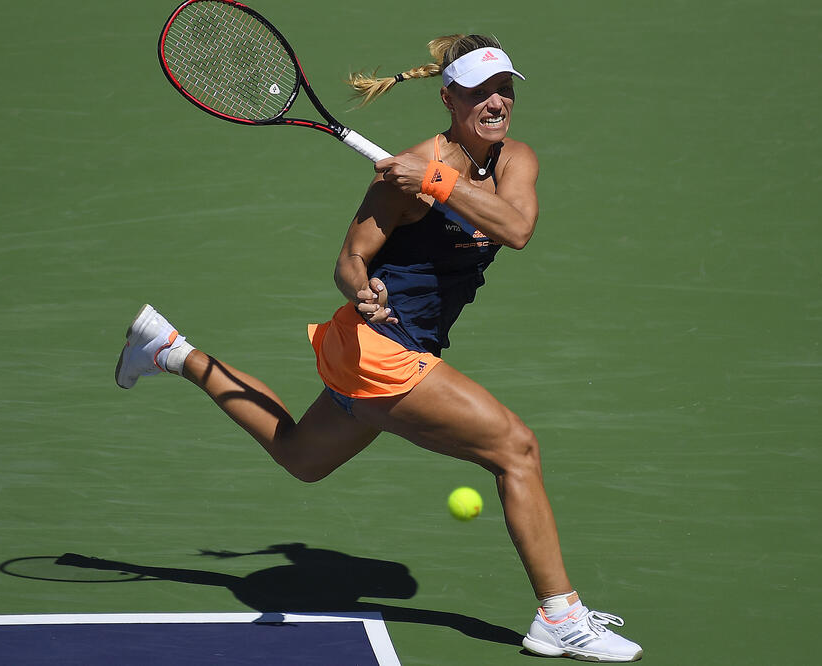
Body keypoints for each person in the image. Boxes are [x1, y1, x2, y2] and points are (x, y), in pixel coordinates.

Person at [115, 34, 642, 662]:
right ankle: (561, 616)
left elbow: (516, 228)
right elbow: (350, 261)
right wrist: (363, 292)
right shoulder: (406, 174)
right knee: (516, 449)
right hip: (379, 349)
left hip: (402, 349)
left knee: (301, 457)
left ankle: (170, 349)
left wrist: (437, 181)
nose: (496, 102)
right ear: (449, 99)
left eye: (504, 89)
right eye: (479, 92)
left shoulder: (511, 159)